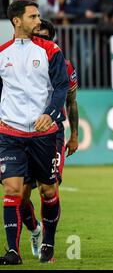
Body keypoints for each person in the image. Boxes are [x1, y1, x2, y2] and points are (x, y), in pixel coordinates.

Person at [0, 0, 69, 265]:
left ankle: (48, 241)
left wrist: (50, 113)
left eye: (39, 15)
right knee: (14, 189)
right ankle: (12, 251)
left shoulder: (51, 50)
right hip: (10, 133)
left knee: (49, 191)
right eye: (33, 16)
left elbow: (61, 87)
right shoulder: (3, 53)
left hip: (44, 135)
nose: (38, 21)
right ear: (17, 21)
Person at [19, 18, 79, 259]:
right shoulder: (18, 62)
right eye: (37, 36)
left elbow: (71, 101)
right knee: (20, 195)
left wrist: (74, 134)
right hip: (20, 132)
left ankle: (49, 244)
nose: (39, 41)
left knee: (47, 189)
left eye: (44, 37)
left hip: (52, 133)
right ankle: (34, 229)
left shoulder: (63, 66)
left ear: (51, 40)